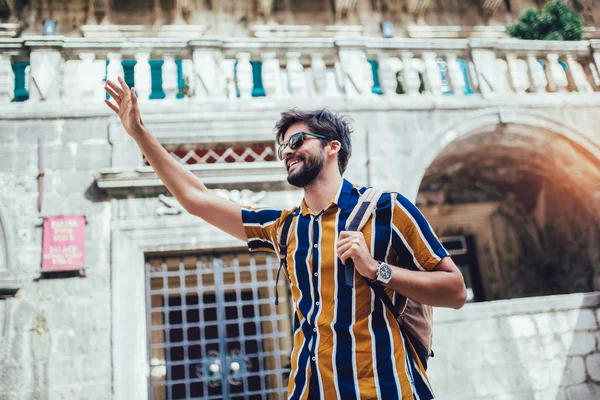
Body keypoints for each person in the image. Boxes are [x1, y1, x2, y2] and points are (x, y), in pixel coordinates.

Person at [104, 77, 467, 400]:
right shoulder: (286, 228)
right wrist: (139, 132)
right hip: (308, 388)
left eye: (296, 140)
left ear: (332, 147)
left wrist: (378, 270)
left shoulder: (386, 209)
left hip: (385, 388)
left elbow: (455, 291)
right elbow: (196, 199)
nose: (287, 151)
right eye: (283, 148)